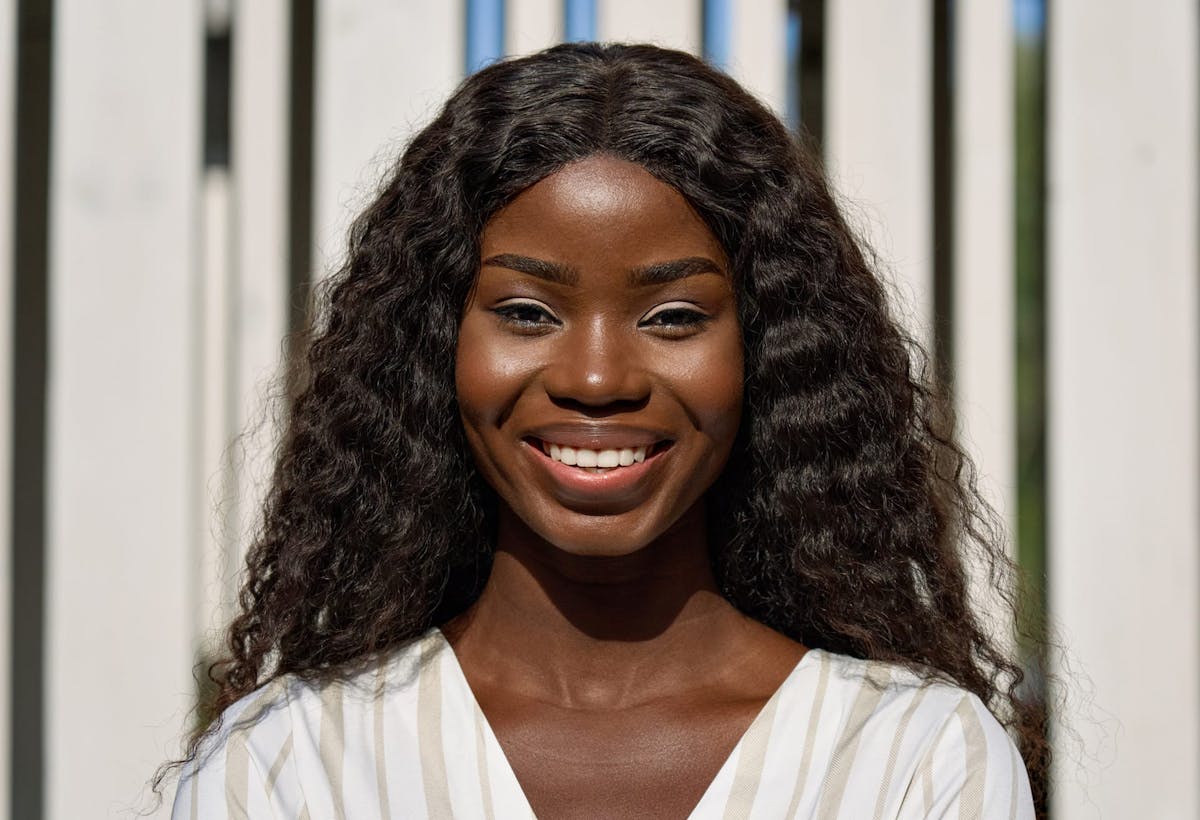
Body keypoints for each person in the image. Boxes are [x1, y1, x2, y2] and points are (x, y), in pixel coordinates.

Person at [163, 41, 1041, 818]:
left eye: (671, 317)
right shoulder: (288, 766)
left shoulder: (910, 759)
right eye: (526, 311)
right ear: (436, 345)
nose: (596, 380)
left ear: (765, 350)